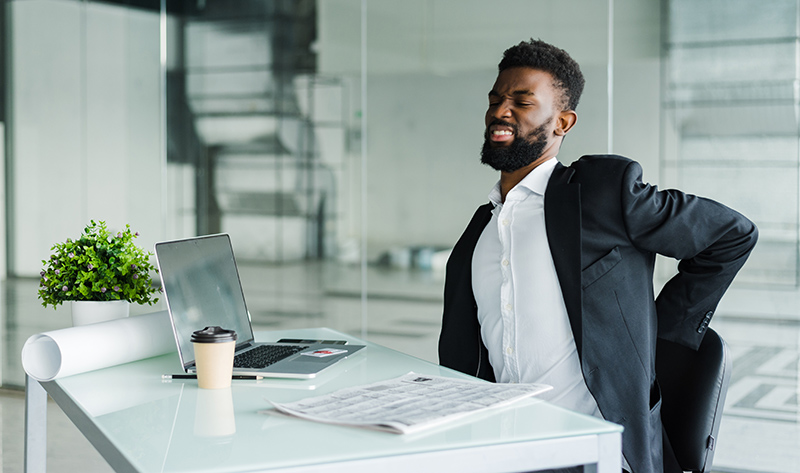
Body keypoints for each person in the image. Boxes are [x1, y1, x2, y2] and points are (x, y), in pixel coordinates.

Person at [438, 38, 758, 473]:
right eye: (495, 99)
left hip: (599, 452)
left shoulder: (601, 192)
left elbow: (731, 235)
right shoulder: (481, 228)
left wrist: (661, 334)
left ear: (562, 122)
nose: (499, 111)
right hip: (507, 448)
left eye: (521, 101)